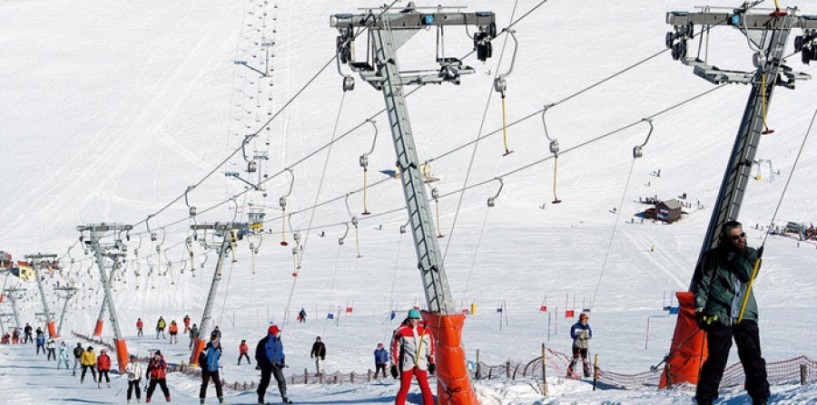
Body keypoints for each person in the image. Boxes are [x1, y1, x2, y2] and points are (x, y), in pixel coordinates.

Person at [693, 220, 770, 405]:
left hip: (745, 312)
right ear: (726, 239)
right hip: (719, 312)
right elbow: (703, 284)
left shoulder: (750, 254)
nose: (740, 240)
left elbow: (748, 274)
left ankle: (760, 397)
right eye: (735, 237)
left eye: (742, 235)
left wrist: (735, 258)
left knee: (752, 356)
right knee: (718, 358)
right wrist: (700, 309)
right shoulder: (713, 258)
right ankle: (705, 398)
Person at [391, 309, 435, 405]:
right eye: (411, 318)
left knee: (425, 387)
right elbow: (394, 348)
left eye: (415, 318)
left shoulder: (425, 330)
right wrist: (393, 365)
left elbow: (430, 347)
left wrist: (432, 362)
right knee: (404, 388)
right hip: (408, 363)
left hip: (421, 363)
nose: (413, 321)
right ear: (408, 318)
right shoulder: (401, 331)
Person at [255, 325, 292, 404]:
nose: (278, 333)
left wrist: (282, 361)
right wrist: (269, 362)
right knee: (265, 381)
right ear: (273, 332)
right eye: (277, 332)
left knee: (281, 380)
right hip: (267, 364)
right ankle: (260, 398)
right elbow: (266, 353)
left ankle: (284, 396)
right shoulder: (265, 341)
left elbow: (280, 352)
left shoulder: (278, 341)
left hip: (277, 364)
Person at [198, 331, 224, 404]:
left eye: (214, 337)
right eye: (212, 336)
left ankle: (220, 398)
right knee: (205, 384)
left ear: (218, 338)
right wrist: (204, 365)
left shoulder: (219, 349)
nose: (212, 338)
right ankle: (202, 399)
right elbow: (200, 359)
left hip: (214, 369)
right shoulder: (208, 348)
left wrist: (218, 364)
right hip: (207, 369)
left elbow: (218, 358)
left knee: (218, 383)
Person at [567, 313, 592, 377]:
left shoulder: (587, 326)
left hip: (584, 345)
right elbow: (572, 335)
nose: (585, 321)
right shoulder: (575, 326)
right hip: (576, 345)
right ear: (581, 319)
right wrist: (578, 336)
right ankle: (570, 371)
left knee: (585, 359)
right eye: (584, 320)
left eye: (586, 320)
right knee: (575, 359)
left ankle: (586, 373)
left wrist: (587, 336)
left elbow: (590, 334)